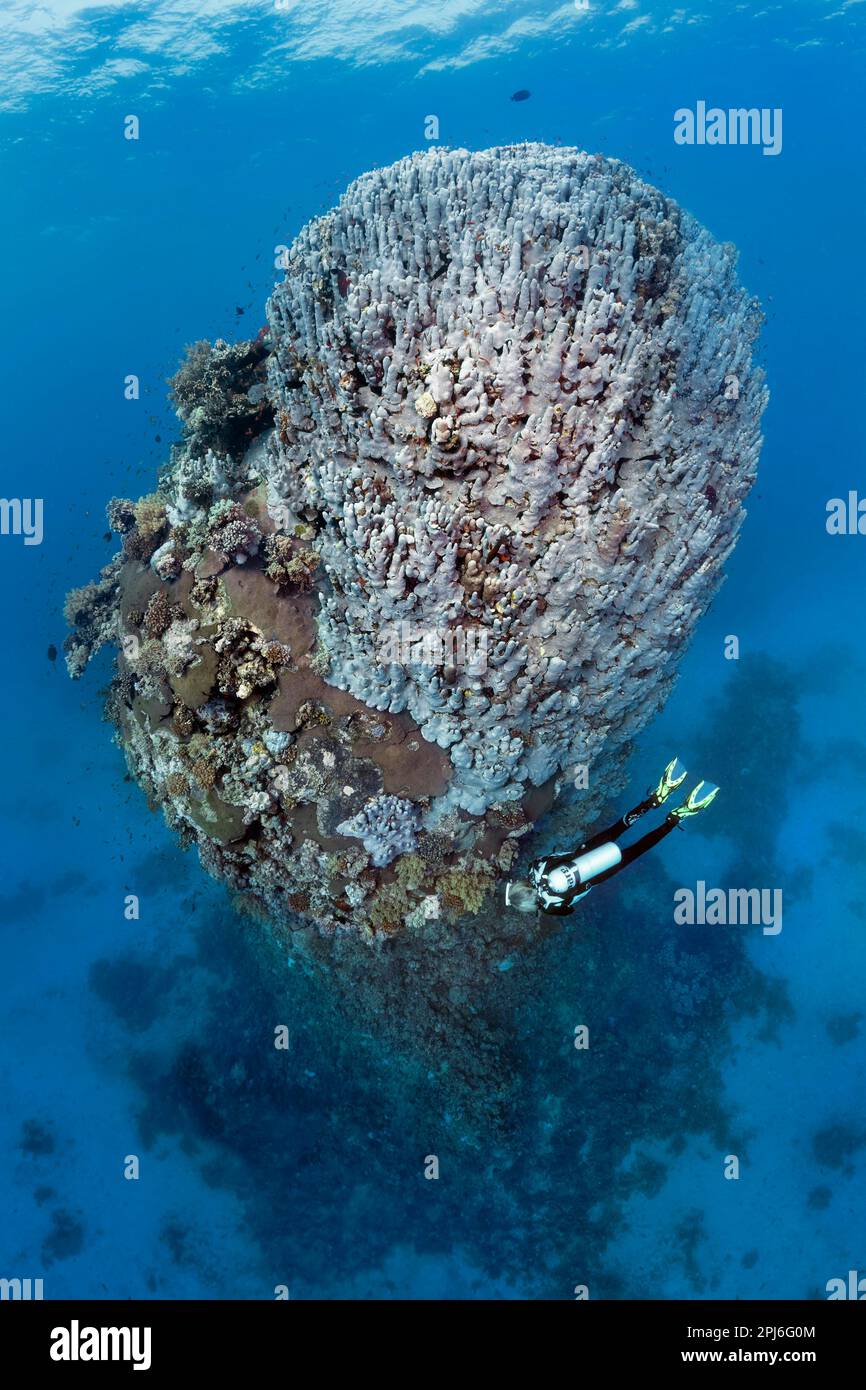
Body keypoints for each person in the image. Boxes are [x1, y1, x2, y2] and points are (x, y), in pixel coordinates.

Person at [505, 758, 719, 917]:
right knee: (620, 827)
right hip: (586, 849)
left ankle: (673, 819)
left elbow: (569, 909)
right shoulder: (535, 868)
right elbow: (554, 856)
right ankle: (654, 800)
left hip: (599, 872)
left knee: (637, 848)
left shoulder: (551, 906)